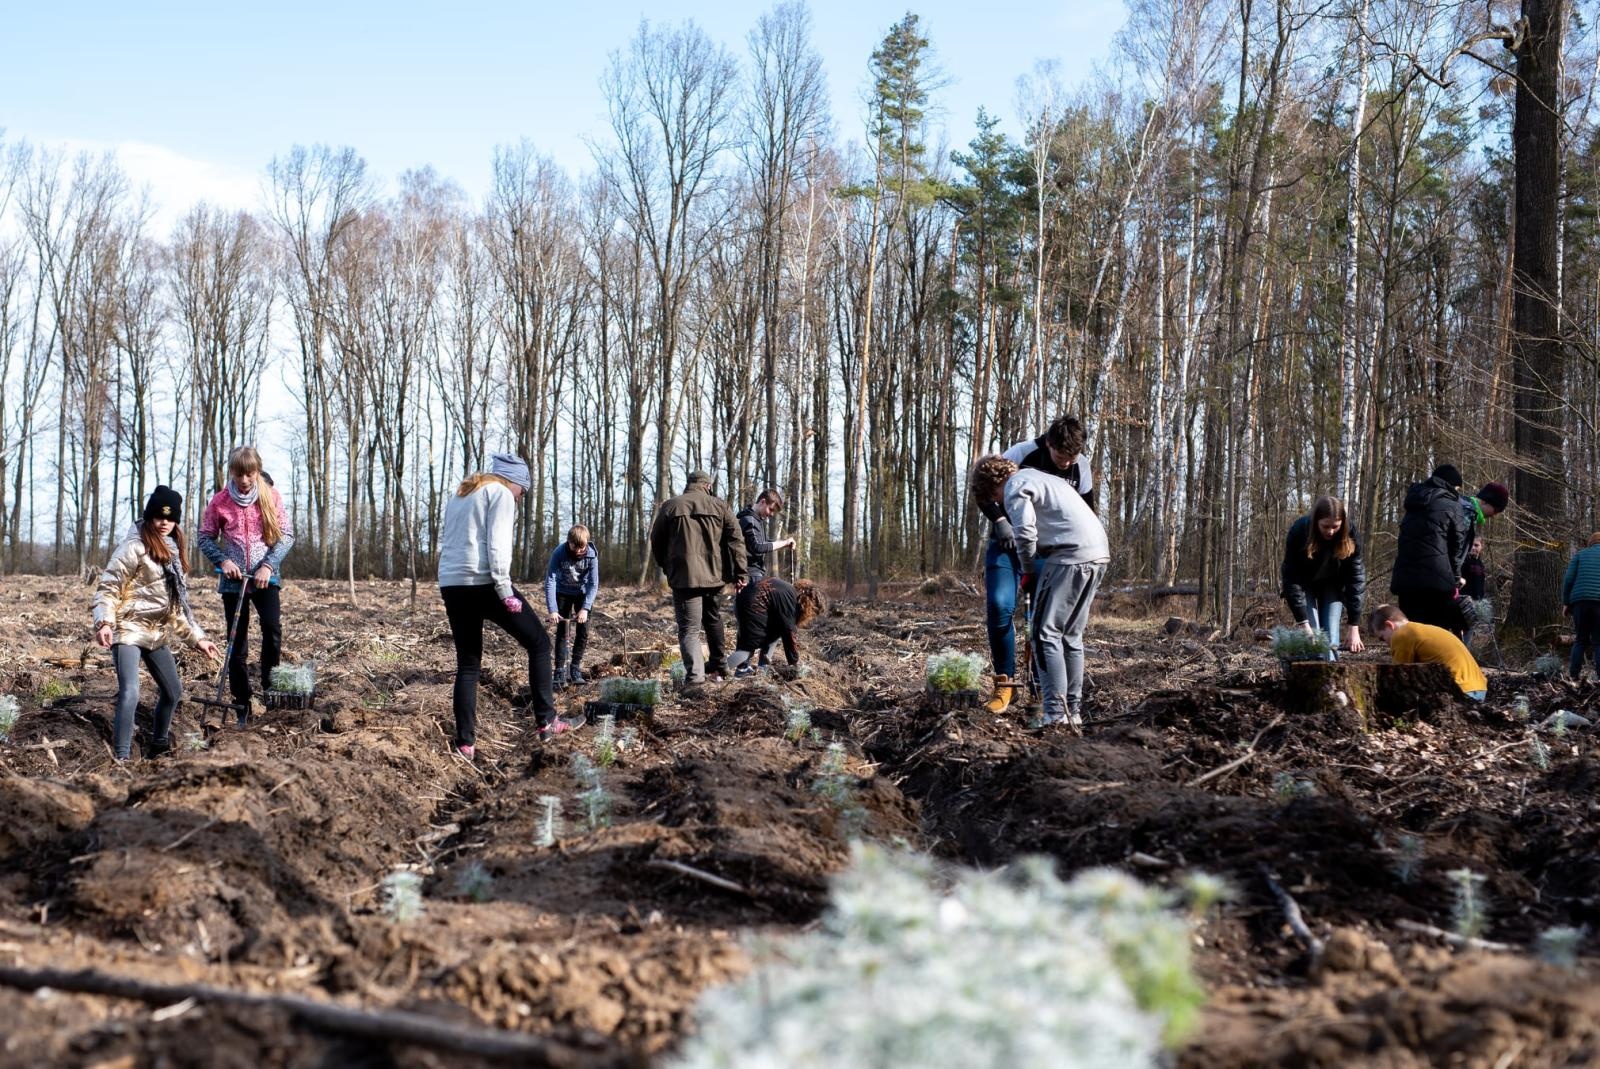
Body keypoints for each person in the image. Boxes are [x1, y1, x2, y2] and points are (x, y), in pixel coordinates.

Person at [438, 454, 573, 759]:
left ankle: (465, 744)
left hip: (452, 584)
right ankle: (547, 721)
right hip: (485, 583)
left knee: (468, 664)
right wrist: (504, 590)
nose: (520, 499)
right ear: (513, 482)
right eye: (522, 493)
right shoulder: (500, 494)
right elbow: (497, 545)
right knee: (539, 643)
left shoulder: (462, 494)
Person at [972, 417, 1097, 715]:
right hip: (1007, 547)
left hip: (1046, 553)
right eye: (1060, 457)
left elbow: (1086, 511)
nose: (1066, 464)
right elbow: (984, 486)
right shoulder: (1022, 452)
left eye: (1072, 458)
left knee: (1043, 621)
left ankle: (1044, 689)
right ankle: (1005, 683)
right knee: (1001, 607)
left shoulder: (1082, 467)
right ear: (1048, 444)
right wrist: (1000, 521)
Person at [93, 487, 220, 760]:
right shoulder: (134, 547)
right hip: (128, 629)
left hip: (156, 634)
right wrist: (104, 622)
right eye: (159, 516)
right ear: (150, 516)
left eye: (170, 518)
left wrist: (198, 638)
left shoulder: (173, 554)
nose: (164, 522)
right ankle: (123, 756)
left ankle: (159, 744)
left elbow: (176, 609)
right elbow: (108, 589)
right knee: (130, 692)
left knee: (173, 691)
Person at [198, 446, 295, 723]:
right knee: (236, 643)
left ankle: (270, 688)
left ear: (256, 472)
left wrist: (268, 565)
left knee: (272, 629)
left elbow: (287, 536)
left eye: (250, 474)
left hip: (266, 578)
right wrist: (224, 562)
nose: (244, 480)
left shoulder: (270, 496)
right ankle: (242, 702)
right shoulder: (220, 501)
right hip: (234, 581)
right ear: (232, 472)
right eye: (239, 474)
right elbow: (204, 537)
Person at [650, 470, 747, 694]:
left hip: (685, 578)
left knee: (689, 629)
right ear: (708, 486)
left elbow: (656, 540)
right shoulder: (720, 506)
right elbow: (737, 540)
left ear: (689, 484)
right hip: (714, 576)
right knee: (713, 620)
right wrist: (741, 574)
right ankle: (720, 666)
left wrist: (668, 566)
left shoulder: (671, 506)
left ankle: (695, 680)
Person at [1280, 496, 1365, 659]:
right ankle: (1312, 672)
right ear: (1315, 521)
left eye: (1336, 526)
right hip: (1304, 584)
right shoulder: (1299, 531)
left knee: (1331, 639)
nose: (1331, 531)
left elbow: (1356, 579)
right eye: (1325, 526)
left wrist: (1354, 626)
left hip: (1333, 585)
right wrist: (1303, 624)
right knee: (1314, 637)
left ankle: (1331, 673)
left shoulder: (1351, 533)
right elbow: (1291, 578)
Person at [1390, 463, 1469, 632]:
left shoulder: (1413, 503)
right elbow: (1457, 546)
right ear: (1451, 485)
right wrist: (1456, 577)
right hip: (1437, 581)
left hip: (1406, 580)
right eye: (1457, 487)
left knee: (1412, 633)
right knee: (1435, 636)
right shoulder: (1453, 506)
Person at [1369, 603, 1488, 701]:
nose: (1386, 644)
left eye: (1382, 638)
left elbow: (1397, 676)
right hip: (1479, 687)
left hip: (1460, 690)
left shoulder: (1402, 635)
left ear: (1389, 625)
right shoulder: (1424, 630)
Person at [728, 578, 828, 677]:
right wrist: (794, 664)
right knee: (750, 646)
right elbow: (789, 634)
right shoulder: (791, 603)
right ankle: (722, 668)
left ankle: (761, 668)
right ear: (810, 604)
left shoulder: (789, 591)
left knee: (771, 635)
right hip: (754, 605)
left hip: (743, 599)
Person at [545, 525, 599, 688]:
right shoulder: (559, 553)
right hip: (563, 592)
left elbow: (593, 583)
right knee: (562, 631)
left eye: (582, 547)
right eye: (575, 547)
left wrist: (585, 608)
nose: (578, 551)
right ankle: (560, 670)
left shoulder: (591, 555)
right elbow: (550, 581)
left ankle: (575, 668)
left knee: (583, 632)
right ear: (569, 542)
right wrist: (552, 609)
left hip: (582, 593)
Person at [1562, 532, 1600, 681]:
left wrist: (1566, 602)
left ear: (1590, 543)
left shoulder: (1580, 555)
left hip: (1580, 602)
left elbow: (1569, 579)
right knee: (1599, 641)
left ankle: (1573, 676)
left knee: (1580, 640)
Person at [737, 489, 794, 583]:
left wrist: (785, 544)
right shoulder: (749, 520)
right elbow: (758, 546)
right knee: (784, 590)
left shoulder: (756, 520)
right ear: (763, 502)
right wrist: (785, 542)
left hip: (755, 573)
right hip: (749, 575)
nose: (771, 514)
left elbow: (764, 541)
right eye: (771, 509)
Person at [1463, 536, 1488, 601]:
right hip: (1465, 600)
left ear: (1482, 546)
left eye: (1476, 545)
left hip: (1478, 601)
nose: (1473, 547)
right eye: (1471, 544)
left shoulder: (1481, 564)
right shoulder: (1463, 561)